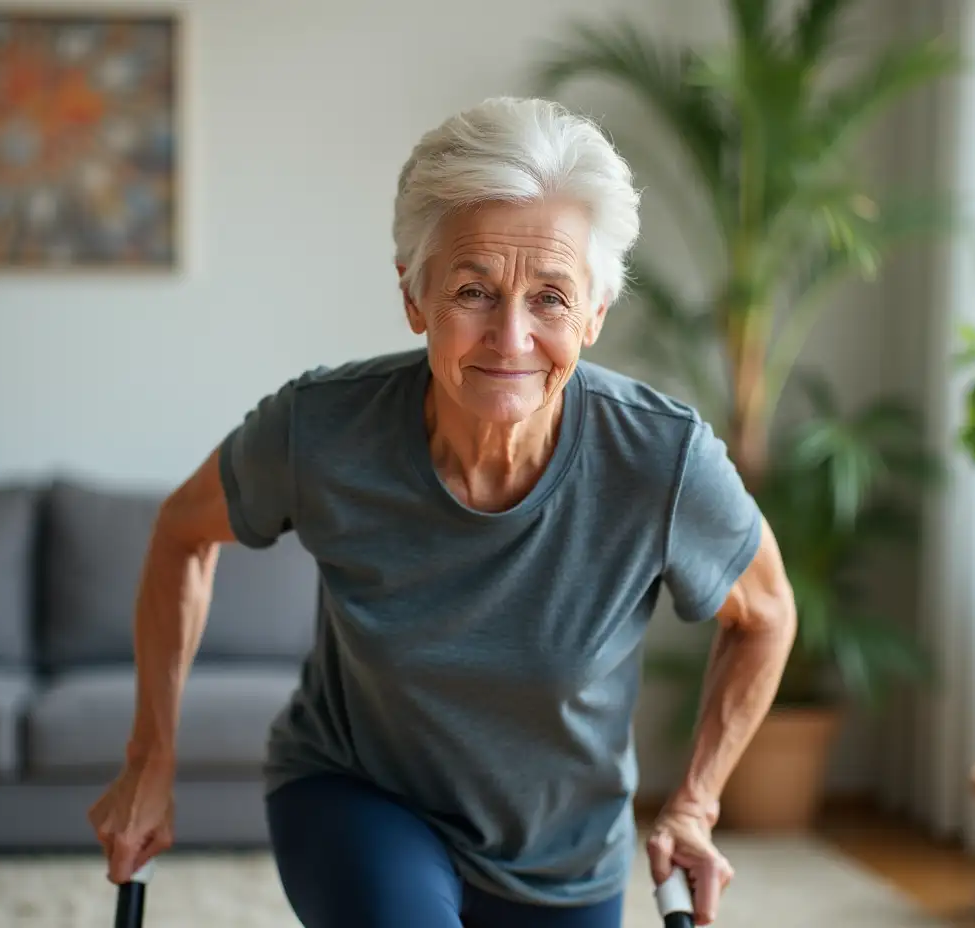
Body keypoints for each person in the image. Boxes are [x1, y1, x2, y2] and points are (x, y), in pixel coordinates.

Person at [88, 96, 796, 928]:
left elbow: (767, 612)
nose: (510, 337)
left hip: (564, 857)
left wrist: (696, 803)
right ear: (414, 296)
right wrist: (148, 760)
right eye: (473, 290)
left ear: (597, 313)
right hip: (361, 798)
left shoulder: (659, 460)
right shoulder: (322, 429)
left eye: (552, 298)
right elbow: (182, 534)